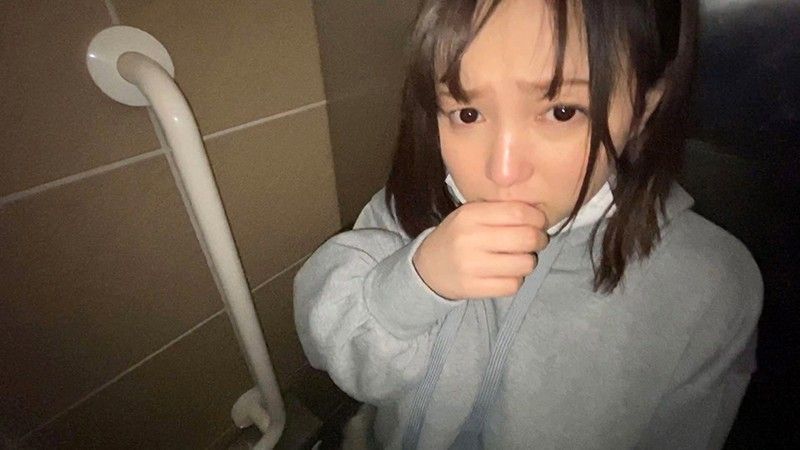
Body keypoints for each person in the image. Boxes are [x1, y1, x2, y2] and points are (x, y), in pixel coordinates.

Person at [294, 0, 763, 448]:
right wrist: (413, 286)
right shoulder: (412, 206)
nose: (502, 171)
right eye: (468, 113)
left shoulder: (708, 285)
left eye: (562, 111)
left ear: (642, 110)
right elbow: (330, 350)